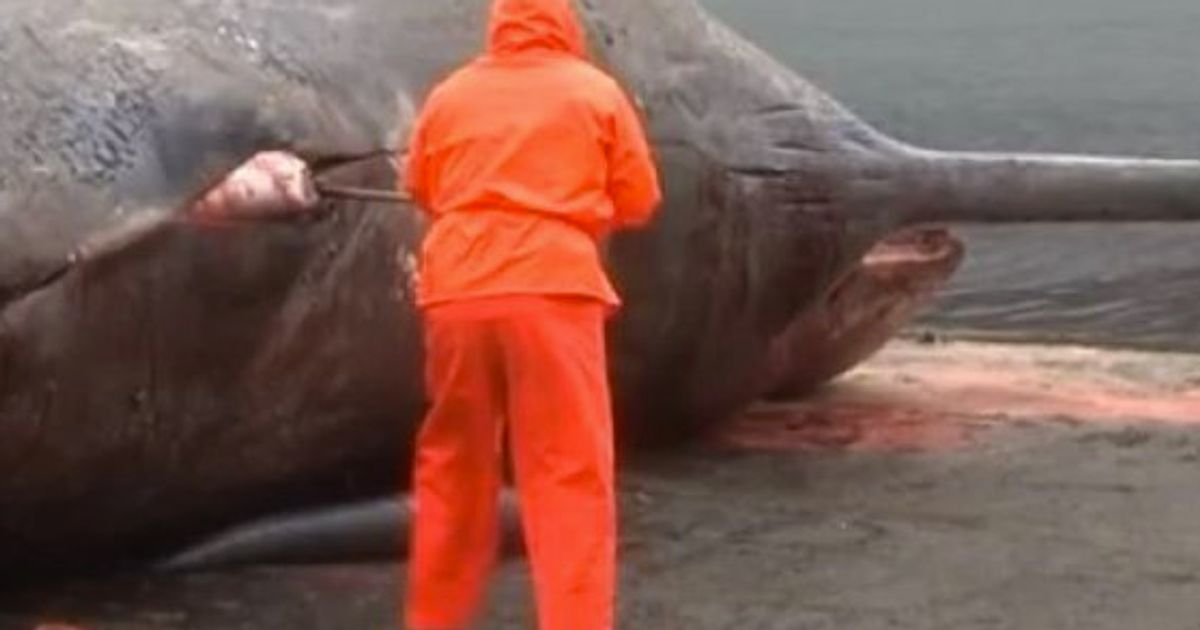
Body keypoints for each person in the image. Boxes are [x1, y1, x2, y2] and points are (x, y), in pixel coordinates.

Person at [398, 0, 662, 628]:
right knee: (567, 473)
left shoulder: (450, 94)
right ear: (565, 23)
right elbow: (640, 198)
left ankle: (433, 621)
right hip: (552, 290)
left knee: (453, 468)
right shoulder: (593, 91)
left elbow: (422, 188)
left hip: (457, 293)